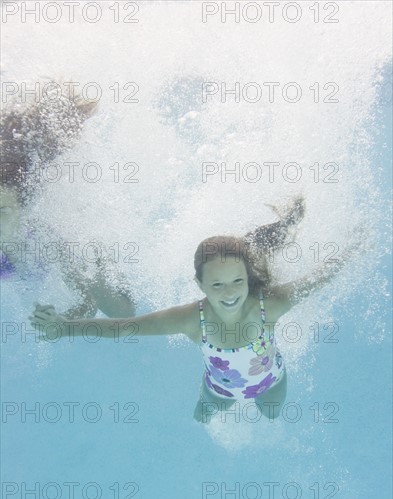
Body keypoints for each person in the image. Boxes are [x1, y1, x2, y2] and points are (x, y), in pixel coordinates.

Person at [29, 195, 358, 425]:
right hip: (217, 389)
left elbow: (321, 277)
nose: (229, 294)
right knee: (202, 417)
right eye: (217, 285)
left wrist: (355, 246)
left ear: (248, 278)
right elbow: (125, 327)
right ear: (200, 285)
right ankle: (214, 410)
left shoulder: (269, 306)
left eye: (236, 282)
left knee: (272, 416)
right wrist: (63, 326)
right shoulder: (191, 319)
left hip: (271, 383)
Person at [0, 82, 136, 318]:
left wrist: (64, 322)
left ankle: (100, 257)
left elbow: (115, 310)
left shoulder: (44, 239)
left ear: (22, 209)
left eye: (2, 210)